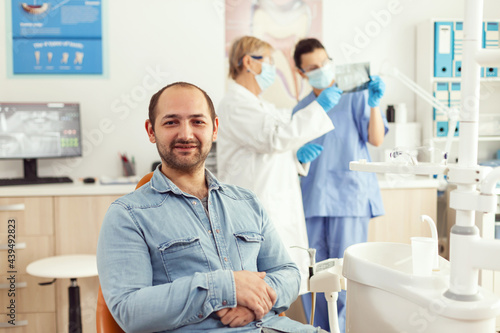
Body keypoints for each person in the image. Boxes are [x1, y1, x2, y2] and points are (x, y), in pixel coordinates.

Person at [96, 82, 328, 332]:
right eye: (171, 122)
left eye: (198, 121)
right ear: (151, 131)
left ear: (214, 129)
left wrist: (251, 302)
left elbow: (288, 273)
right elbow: (130, 311)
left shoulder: (246, 202)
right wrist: (224, 288)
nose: (185, 134)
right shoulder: (127, 215)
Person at [217, 36, 341, 295]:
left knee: (276, 287)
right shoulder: (236, 104)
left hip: (272, 204)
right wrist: (320, 107)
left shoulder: (260, 105)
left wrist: (297, 156)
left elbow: (275, 145)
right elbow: (272, 139)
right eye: (270, 62)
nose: (273, 69)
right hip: (254, 210)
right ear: (249, 62)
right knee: (262, 289)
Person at [292, 38, 388, 332]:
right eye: (312, 67)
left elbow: (376, 139)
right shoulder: (301, 110)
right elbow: (290, 157)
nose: (321, 70)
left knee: (347, 276)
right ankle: (319, 330)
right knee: (316, 277)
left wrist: (374, 105)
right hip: (312, 201)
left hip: (350, 198)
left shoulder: (355, 95)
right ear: (301, 72)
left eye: (324, 63)